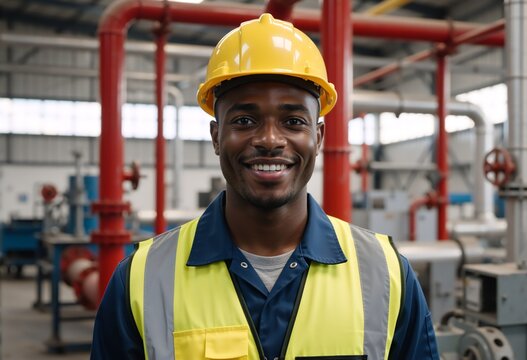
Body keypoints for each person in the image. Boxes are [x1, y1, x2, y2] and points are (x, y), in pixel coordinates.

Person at [91, 13, 439, 360]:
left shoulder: (385, 274)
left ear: (317, 137)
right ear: (216, 137)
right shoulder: (141, 280)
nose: (270, 139)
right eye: (244, 120)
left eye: (292, 121)